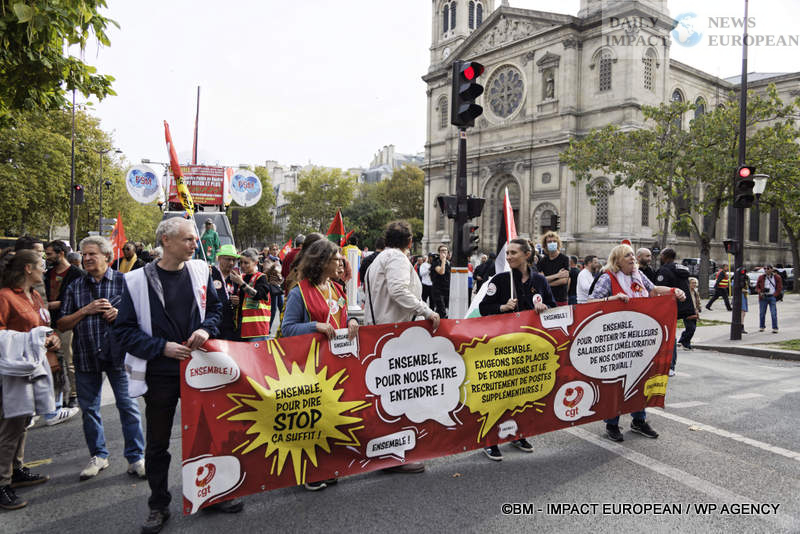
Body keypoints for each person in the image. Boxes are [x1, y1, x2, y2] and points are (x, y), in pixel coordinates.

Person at [114, 217, 237, 533]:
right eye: (188, 239)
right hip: (161, 373)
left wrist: (203, 329)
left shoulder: (200, 271)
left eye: (194, 240)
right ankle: (158, 506)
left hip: (201, 369)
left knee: (209, 435)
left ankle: (213, 493)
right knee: (157, 443)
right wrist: (161, 348)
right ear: (165, 241)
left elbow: (216, 311)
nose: (195, 245)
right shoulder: (136, 280)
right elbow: (124, 331)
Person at [57, 236, 146, 481]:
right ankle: (99, 455)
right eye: (84, 254)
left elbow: (143, 318)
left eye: (91, 254)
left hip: (119, 357)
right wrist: (85, 310)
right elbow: (62, 324)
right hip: (86, 357)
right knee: (89, 410)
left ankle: (136, 457)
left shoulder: (124, 282)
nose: (86, 258)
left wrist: (120, 313)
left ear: (107, 257)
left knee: (128, 408)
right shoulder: (75, 286)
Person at [280, 239, 359, 490]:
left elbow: (343, 320)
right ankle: (310, 472)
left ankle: (326, 465)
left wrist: (353, 323)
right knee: (311, 420)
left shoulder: (337, 289)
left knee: (330, 416)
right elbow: (287, 329)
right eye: (336, 258)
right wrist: (315, 326)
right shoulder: (299, 291)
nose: (341, 262)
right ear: (322, 261)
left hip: (334, 365)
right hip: (308, 366)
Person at [363, 220, 439, 475]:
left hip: (382, 333)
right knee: (397, 397)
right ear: (409, 242)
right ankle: (394, 455)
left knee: (388, 396)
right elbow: (398, 290)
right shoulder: (396, 258)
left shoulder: (379, 259)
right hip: (392, 335)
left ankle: (388, 451)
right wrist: (425, 310)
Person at [589, 244, 685, 442]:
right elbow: (590, 303)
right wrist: (612, 298)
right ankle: (612, 423)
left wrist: (674, 290)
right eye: (627, 256)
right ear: (617, 261)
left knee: (640, 378)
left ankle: (639, 420)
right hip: (616, 340)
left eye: (633, 255)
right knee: (617, 382)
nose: (632, 258)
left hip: (638, 340)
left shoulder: (639, 277)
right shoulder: (608, 277)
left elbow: (655, 289)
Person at [478, 238, 556, 460]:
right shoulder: (501, 280)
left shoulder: (539, 280)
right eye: (508, 253)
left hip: (528, 348)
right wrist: (502, 307)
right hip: (502, 347)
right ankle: (490, 440)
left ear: (526, 255)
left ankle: (517, 433)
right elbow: (484, 309)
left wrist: (545, 307)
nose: (509, 256)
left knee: (522, 394)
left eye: (514, 252)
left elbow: (552, 305)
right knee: (498, 395)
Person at [0, 249, 60, 510]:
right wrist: (31, 340)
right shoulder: (4, 296)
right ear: (27, 269)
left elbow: (42, 326)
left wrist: (51, 338)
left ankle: (16, 470)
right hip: (11, 372)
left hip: (31, 369)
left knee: (23, 420)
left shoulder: (34, 295)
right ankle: (2, 483)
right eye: (40, 265)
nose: (44, 269)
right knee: (9, 426)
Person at [44, 240, 83, 409]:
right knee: (53, 362)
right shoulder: (47, 273)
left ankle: (73, 394)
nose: (47, 257)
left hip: (67, 322)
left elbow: (81, 300)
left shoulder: (77, 274)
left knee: (68, 360)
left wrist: (58, 304)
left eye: (50, 253)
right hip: (48, 323)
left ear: (61, 253)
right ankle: (57, 395)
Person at [655, 248, 694, 376]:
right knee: (672, 335)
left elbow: (659, 291)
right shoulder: (682, 269)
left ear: (665, 257)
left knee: (669, 336)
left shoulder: (664, 270)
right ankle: (671, 366)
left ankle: (668, 366)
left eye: (661, 255)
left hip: (670, 306)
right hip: (684, 305)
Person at [229, 248, 273, 341]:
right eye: (241, 263)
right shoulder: (241, 277)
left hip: (257, 329)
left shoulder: (261, 278)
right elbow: (243, 301)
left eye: (246, 263)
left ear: (255, 263)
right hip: (241, 327)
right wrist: (235, 301)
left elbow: (258, 295)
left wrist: (242, 283)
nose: (243, 266)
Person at [210, 244, 241, 340]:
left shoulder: (236, 277)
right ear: (219, 259)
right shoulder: (211, 273)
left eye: (234, 260)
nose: (231, 263)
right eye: (228, 259)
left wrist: (237, 302)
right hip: (212, 324)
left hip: (229, 325)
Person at [537, 231, 570, 306]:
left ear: (558, 243)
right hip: (546, 299)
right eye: (549, 242)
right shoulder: (542, 261)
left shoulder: (564, 259)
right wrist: (557, 275)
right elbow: (540, 280)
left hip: (561, 299)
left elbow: (564, 280)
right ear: (545, 244)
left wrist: (547, 284)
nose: (552, 243)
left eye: (554, 241)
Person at [756, 265, 782, 333]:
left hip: (772, 297)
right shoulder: (761, 277)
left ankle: (775, 328)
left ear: (772, 269)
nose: (766, 270)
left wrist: (774, 295)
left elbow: (779, 288)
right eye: (764, 269)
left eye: (768, 268)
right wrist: (760, 292)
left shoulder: (777, 277)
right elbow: (757, 287)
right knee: (762, 313)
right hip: (763, 297)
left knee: (773, 313)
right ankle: (762, 327)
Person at [680, 277, 701, 350]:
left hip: (694, 312)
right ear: (688, 284)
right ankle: (684, 341)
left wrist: (698, 309)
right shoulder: (686, 292)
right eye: (692, 283)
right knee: (691, 328)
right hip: (687, 312)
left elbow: (697, 301)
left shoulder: (695, 292)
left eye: (695, 283)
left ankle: (687, 343)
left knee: (693, 329)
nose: (694, 284)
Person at [430, 244, 451, 318]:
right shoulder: (436, 262)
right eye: (442, 251)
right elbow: (441, 272)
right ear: (439, 252)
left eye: (445, 250)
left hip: (447, 289)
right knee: (442, 311)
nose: (444, 252)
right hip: (438, 290)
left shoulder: (449, 263)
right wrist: (443, 261)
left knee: (446, 311)